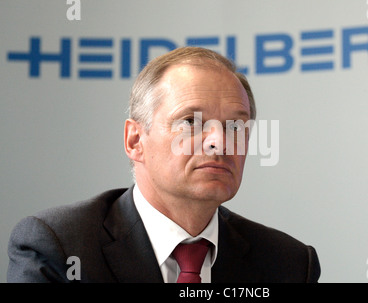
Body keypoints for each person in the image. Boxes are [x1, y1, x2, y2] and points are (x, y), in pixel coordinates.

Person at [7, 47, 320, 283]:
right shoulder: (60, 247)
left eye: (236, 127)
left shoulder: (288, 264)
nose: (220, 142)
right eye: (190, 121)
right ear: (135, 141)